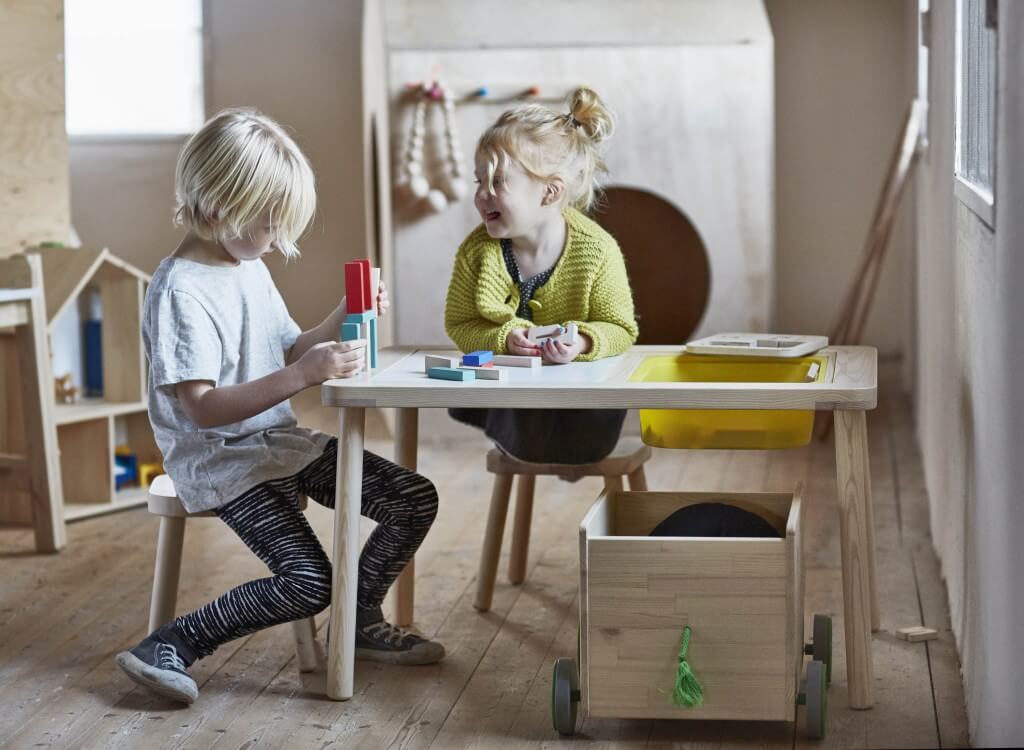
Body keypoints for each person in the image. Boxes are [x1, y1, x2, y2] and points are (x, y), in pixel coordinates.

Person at [116, 108, 444, 706]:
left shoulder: (246, 265)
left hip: (276, 443)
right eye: (268, 224)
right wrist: (301, 375)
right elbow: (205, 410)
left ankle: (360, 619)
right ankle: (171, 642)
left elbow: (289, 348)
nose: (274, 238)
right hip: (222, 460)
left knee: (412, 498)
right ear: (219, 208)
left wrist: (344, 313)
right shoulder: (181, 291)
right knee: (309, 581)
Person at [444, 87, 639, 464]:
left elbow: (621, 328)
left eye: (497, 182)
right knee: (501, 403)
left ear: (549, 192)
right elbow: (461, 323)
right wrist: (504, 338)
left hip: (585, 413)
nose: (482, 195)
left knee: (580, 430)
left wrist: (582, 342)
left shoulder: (597, 251)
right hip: (513, 405)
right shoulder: (477, 251)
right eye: (478, 182)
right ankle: (518, 437)